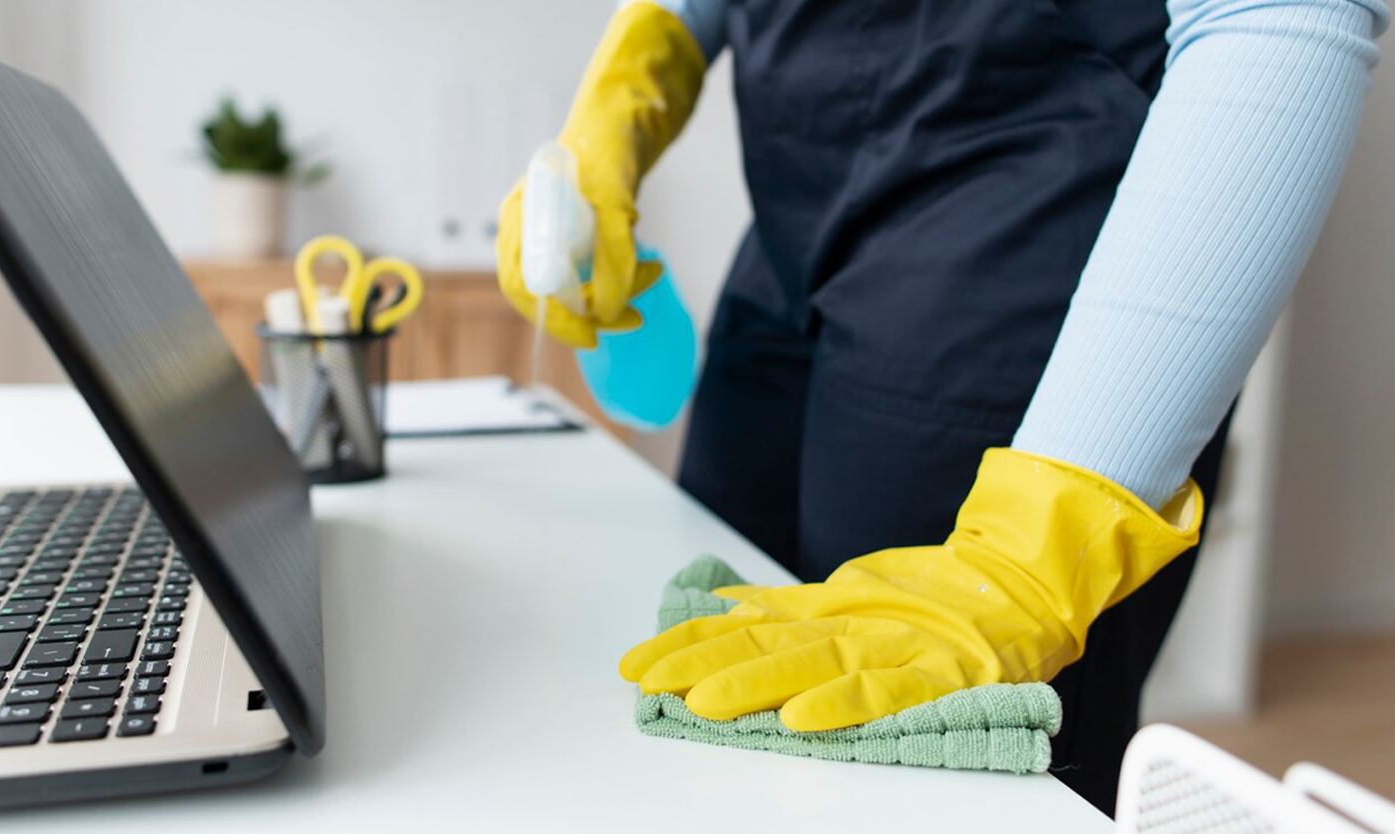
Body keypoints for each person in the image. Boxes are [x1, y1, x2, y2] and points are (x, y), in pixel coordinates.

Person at [495, 0, 1386, 811]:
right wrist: (628, 86)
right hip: (794, 218)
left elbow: (1280, 12)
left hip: (1019, 217)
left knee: (927, 771)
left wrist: (1033, 559)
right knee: (722, 682)